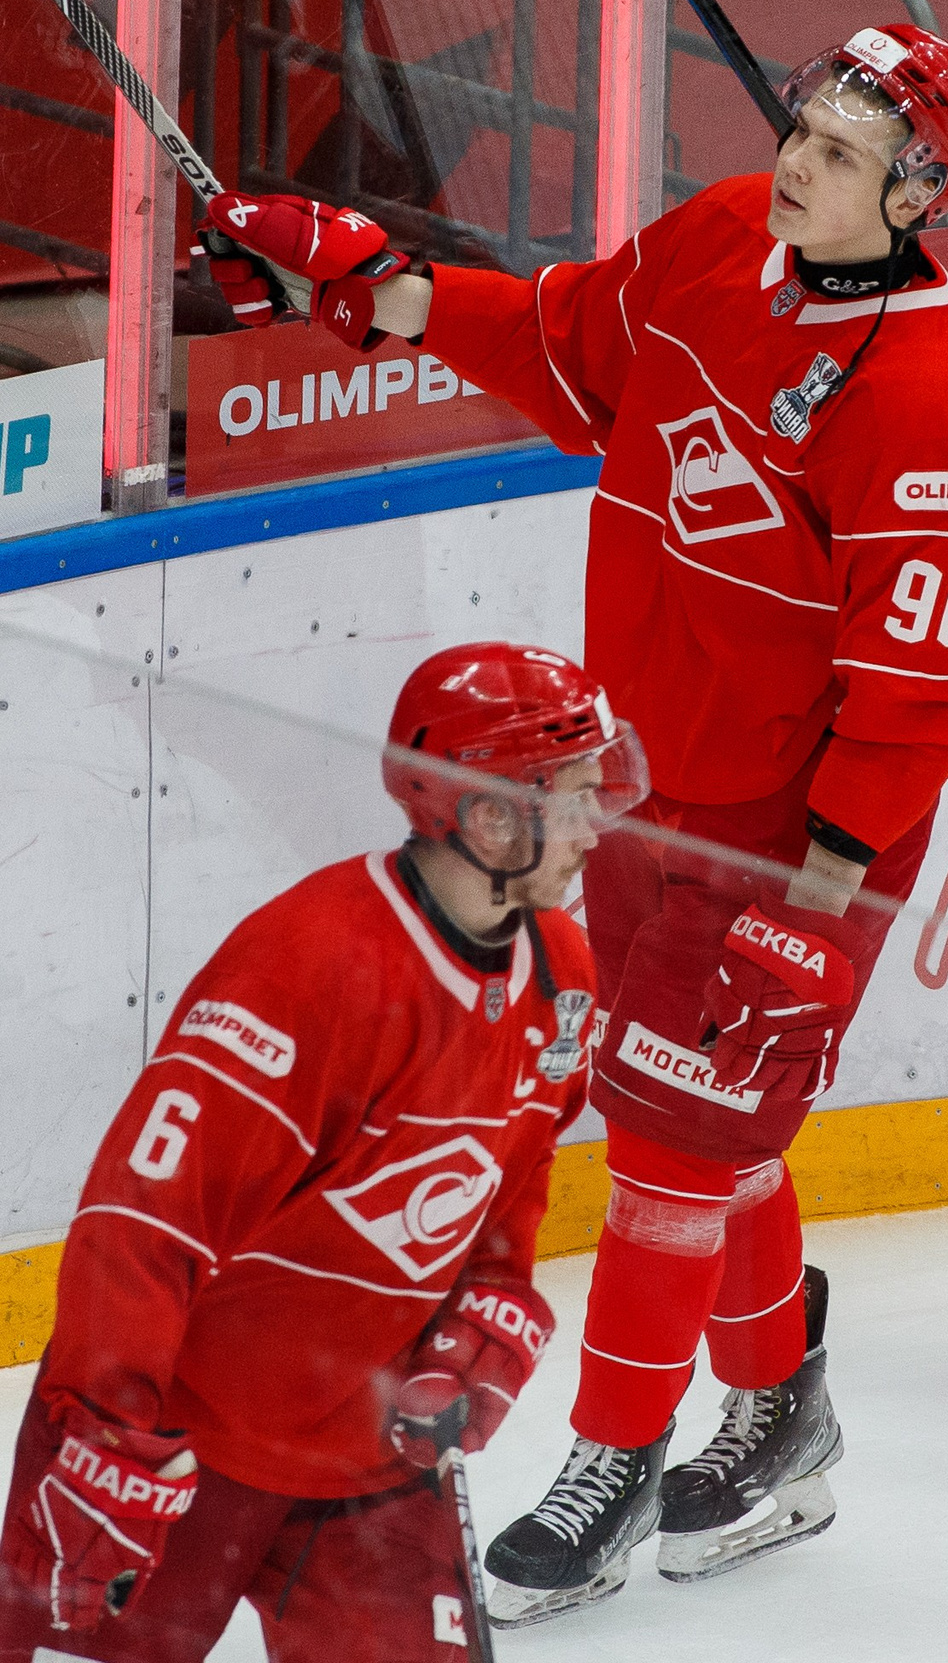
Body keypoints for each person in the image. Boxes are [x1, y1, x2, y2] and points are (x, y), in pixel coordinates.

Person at [194, 25, 948, 1620]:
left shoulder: (925, 394)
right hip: (644, 784)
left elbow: (922, 691)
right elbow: (573, 343)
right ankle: (783, 1417)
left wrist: (815, 899)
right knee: (707, 1127)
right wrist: (384, 287)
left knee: (661, 1145)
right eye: (805, 125)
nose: (798, 161)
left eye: (846, 154)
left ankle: (612, 1460)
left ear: (919, 196)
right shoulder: (724, 235)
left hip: (792, 836)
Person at [0, 642, 633, 1662]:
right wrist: (105, 1433)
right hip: (172, 1448)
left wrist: (486, 1308)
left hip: (366, 1453)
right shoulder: (312, 968)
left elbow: (507, 1178)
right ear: (488, 815)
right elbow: (142, 1220)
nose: (598, 820)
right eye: (573, 793)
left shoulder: (561, 969)